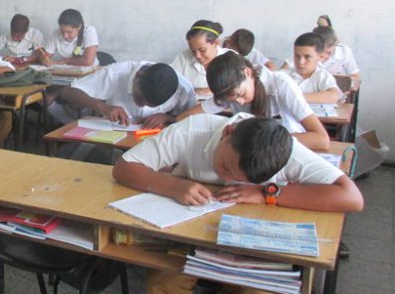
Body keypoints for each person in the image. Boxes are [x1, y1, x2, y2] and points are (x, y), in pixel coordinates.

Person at [112, 114, 364, 294]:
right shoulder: (191, 131)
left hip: (254, 243)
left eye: (241, 180)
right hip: (188, 235)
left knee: (261, 289)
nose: (228, 179)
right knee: (164, 282)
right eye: (225, 167)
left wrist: (268, 193)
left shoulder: (288, 151)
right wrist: (174, 186)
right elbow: (123, 167)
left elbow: (351, 197)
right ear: (227, 133)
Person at [178, 51, 329, 151]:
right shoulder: (230, 92)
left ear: (248, 73)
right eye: (233, 101)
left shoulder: (281, 85)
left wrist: (263, 139)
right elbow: (190, 115)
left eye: (241, 94)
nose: (240, 102)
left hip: (287, 150)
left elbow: (321, 140)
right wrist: (172, 120)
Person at [57, 62, 196, 128]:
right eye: (139, 99)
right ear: (138, 76)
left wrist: (167, 117)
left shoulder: (183, 88)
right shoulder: (115, 74)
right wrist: (102, 106)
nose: (142, 106)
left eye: (152, 106)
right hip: (116, 135)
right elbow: (67, 92)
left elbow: (193, 119)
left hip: (153, 138)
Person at [170, 20, 232, 94]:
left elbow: (240, 87)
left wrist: (212, 90)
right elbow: (170, 82)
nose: (197, 56)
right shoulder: (184, 57)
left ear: (216, 43)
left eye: (202, 50)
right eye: (193, 51)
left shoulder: (231, 59)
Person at [283, 33, 343, 104]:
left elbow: (333, 96)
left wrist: (295, 98)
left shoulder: (322, 76)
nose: (301, 62)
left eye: (307, 57)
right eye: (297, 56)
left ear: (320, 57)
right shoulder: (284, 75)